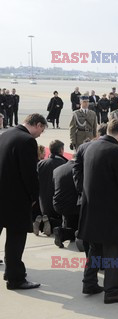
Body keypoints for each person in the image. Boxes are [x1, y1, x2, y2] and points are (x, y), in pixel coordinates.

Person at [76, 119, 118, 304]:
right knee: (114, 251)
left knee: (95, 248)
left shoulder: (89, 147)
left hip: (90, 207)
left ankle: (89, 282)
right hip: (110, 209)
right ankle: (112, 290)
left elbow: (79, 173)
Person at [0, 113, 47, 290]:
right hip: (16, 198)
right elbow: (30, 174)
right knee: (15, 239)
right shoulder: (27, 141)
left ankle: (11, 271)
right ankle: (15, 278)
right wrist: (34, 196)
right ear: (37, 124)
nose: (40, 134)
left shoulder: (5, 134)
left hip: (2, 194)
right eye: (41, 130)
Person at [37, 140, 68, 237]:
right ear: (61, 150)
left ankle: (41, 222)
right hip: (56, 203)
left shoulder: (41, 164)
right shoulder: (63, 164)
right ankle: (48, 222)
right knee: (66, 223)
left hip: (43, 203)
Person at [52, 156, 80, 249]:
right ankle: (62, 232)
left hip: (58, 203)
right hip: (74, 205)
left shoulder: (57, 170)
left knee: (69, 221)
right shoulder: (77, 169)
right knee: (79, 230)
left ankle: (63, 231)